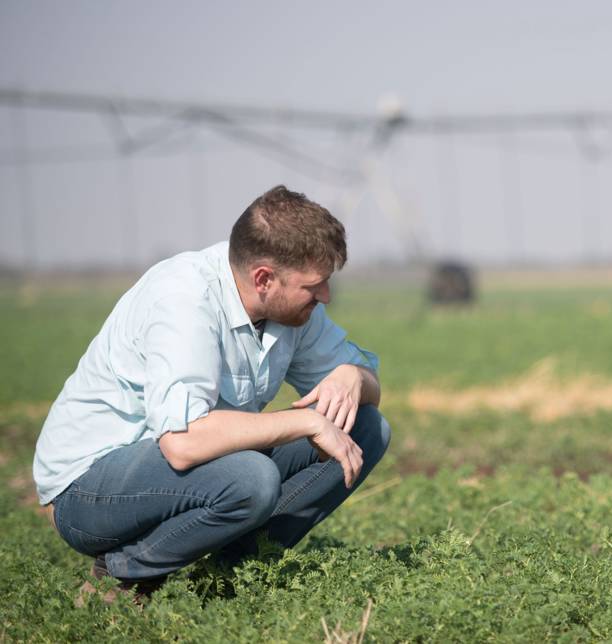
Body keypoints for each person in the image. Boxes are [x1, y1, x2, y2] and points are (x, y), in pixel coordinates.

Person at [34, 185, 391, 600]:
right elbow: (182, 444)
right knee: (250, 478)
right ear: (264, 279)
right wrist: (306, 420)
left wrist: (352, 376)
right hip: (89, 490)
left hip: (192, 469)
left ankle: (227, 581)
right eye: (315, 285)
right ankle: (122, 577)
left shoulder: (294, 310)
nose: (325, 296)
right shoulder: (185, 298)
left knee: (365, 427)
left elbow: (371, 388)